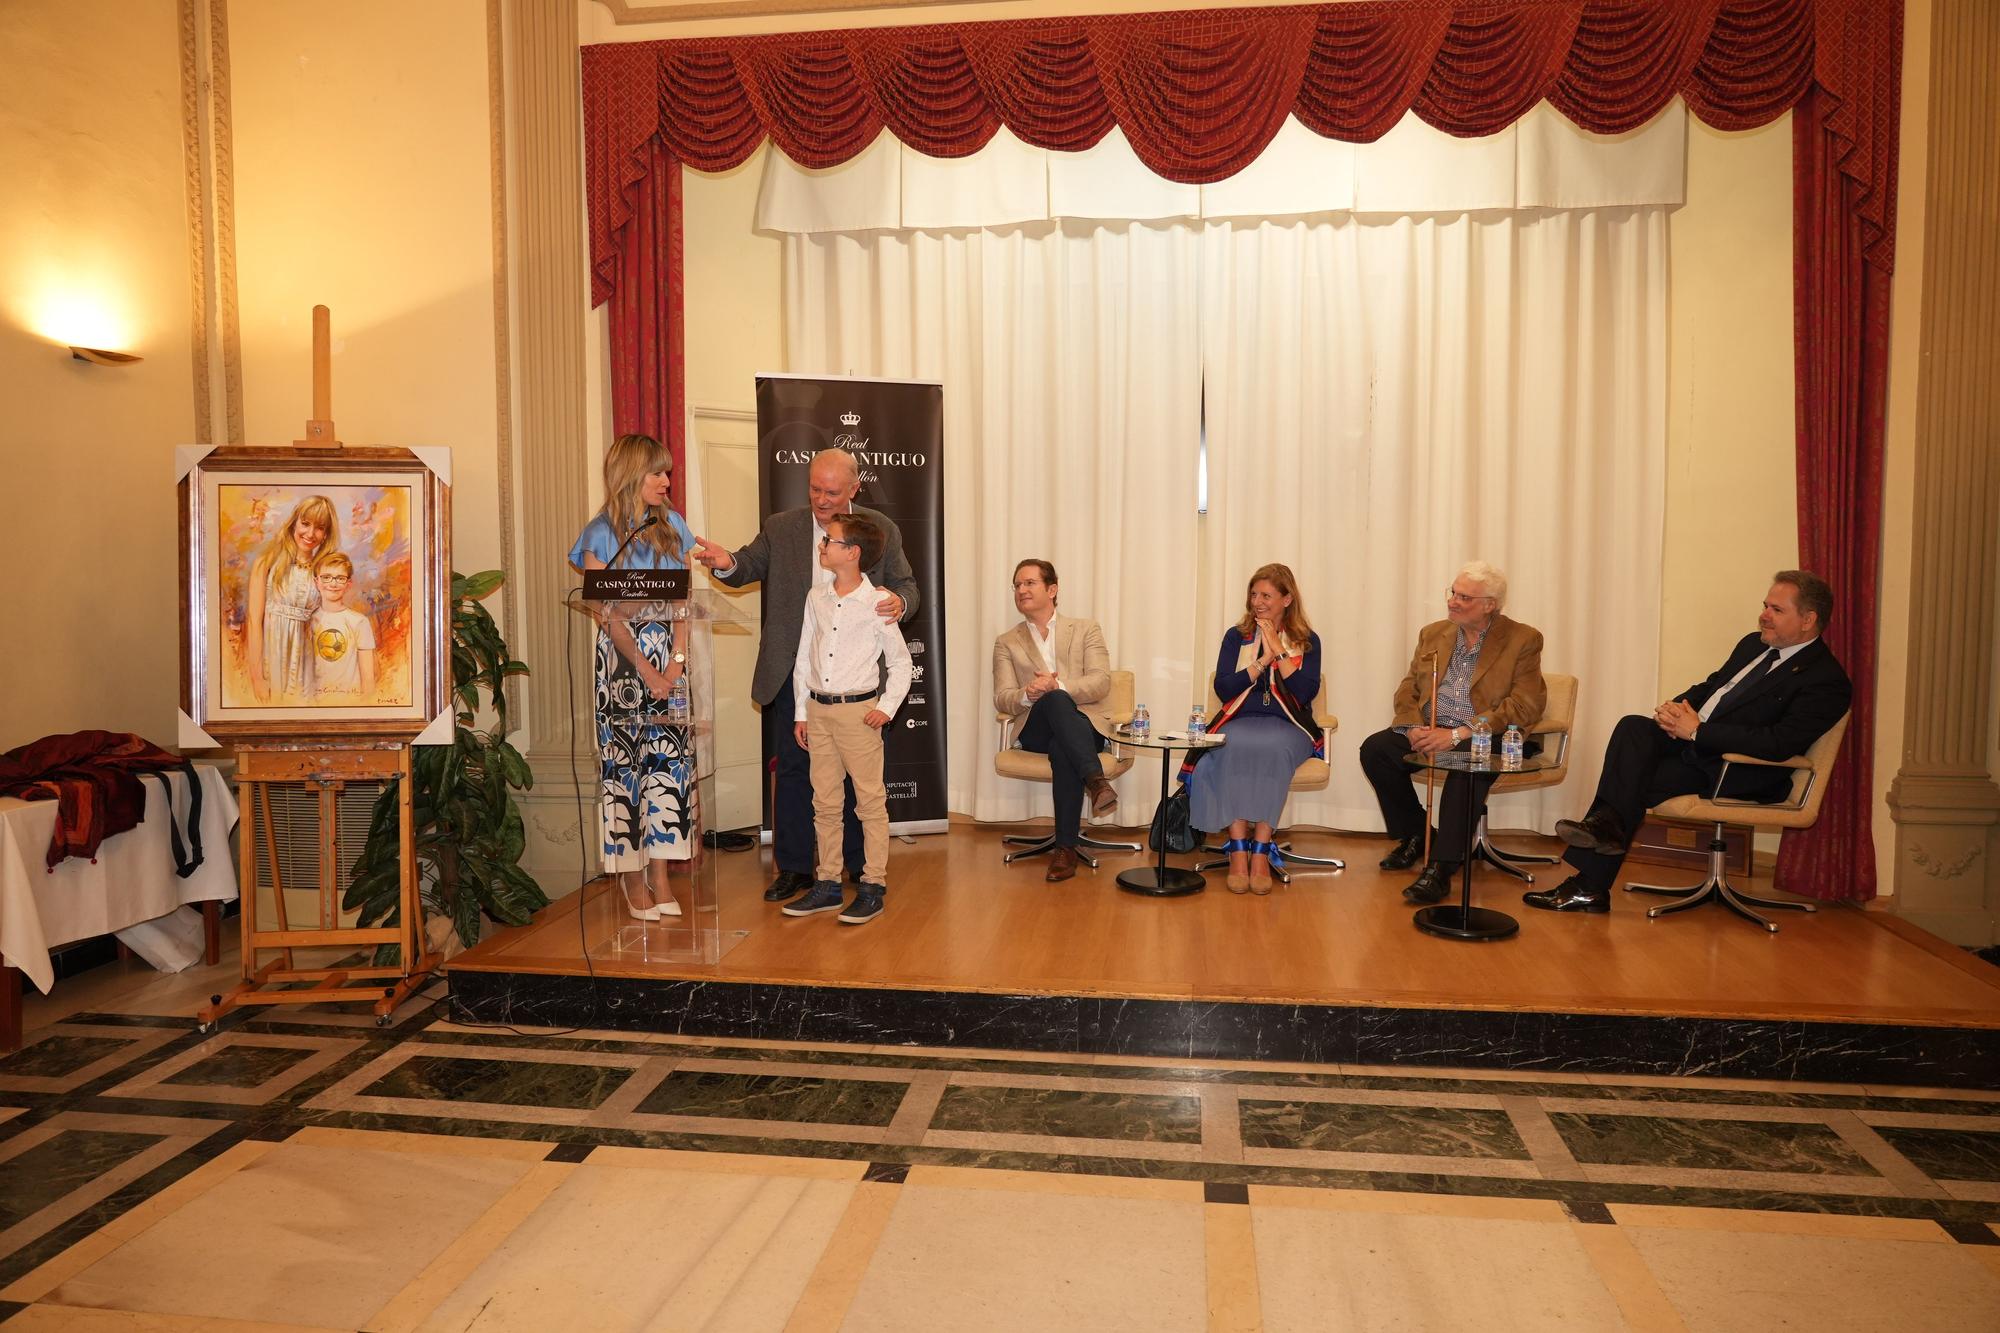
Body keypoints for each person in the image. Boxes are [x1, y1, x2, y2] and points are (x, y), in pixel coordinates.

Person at [1526, 571, 1852, 914]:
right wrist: (1674, 711)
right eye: (1765, 605)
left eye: (1776, 609)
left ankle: (1591, 879)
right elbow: (1711, 688)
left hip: (1737, 767)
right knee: (1634, 728)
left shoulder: (1826, 680)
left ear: (1808, 620)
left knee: (1634, 781)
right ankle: (1598, 848)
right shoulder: (1753, 644)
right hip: (1695, 746)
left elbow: (1778, 743)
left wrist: (1697, 731)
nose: (1764, 615)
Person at [689, 447, 920, 905]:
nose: (820, 499)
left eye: (831, 491)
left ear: (854, 489)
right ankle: (795, 870)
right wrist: (725, 562)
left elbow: (908, 586)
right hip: (794, 677)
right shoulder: (781, 526)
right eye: (814, 488)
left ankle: (856, 867)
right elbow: (746, 566)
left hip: (855, 686)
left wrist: (899, 602)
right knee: (794, 775)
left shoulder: (878, 531)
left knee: (856, 780)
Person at [1358, 562, 1546, 905]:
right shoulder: (1433, 633)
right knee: (1377, 750)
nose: (1453, 602)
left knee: (1466, 765)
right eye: (1453, 593)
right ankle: (1418, 835)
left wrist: (1459, 733)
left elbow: (1525, 705)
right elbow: (1408, 688)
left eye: (1465, 597)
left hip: (1486, 733)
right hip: (1432, 726)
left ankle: (1441, 868)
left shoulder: (1523, 639)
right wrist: (1413, 726)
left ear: (1490, 604)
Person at [569, 433, 699, 923]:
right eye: (657, 472)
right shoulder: (600, 533)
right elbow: (604, 608)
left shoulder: (675, 526)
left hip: (671, 659)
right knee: (626, 769)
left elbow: (685, 600)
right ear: (631, 476)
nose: (667, 480)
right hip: (621, 665)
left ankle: (662, 875)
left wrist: (676, 663)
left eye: (667, 472)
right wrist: (645, 670)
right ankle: (629, 875)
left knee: (668, 767)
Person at [782, 513, 913, 926]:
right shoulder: (815, 597)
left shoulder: (878, 601)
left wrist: (885, 709)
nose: (822, 546)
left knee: (870, 803)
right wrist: (802, 712)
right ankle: (827, 884)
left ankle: (873, 885)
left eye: (830, 542)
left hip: (859, 714)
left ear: (853, 553)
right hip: (819, 712)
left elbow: (901, 663)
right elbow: (805, 655)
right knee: (824, 802)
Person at [1188, 564, 1324, 895]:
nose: (1257, 602)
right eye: (1253, 594)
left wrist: (1278, 649)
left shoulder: (1306, 641)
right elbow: (1224, 689)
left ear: (1287, 599)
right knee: (1229, 746)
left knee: (1273, 750)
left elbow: (1305, 693)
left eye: (1266, 595)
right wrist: (1260, 660)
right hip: (1239, 721)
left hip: (1288, 725)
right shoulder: (1237, 637)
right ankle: (1237, 849)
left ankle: (1261, 850)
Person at [992, 559, 1120, 882]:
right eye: (1017, 585)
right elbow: (1002, 696)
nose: (1021, 590)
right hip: (1035, 725)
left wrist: (1058, 686)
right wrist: (1028, 693)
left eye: (1029, 583)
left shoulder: (1086, 629)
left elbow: (1101, 682)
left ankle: (1065, 848)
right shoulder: (1006, 641)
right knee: (1052, 699)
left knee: (1063, 743)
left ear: (1052, 589)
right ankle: (1096, 782)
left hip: (1083, 725)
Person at [245, 495, 338, 703]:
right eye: (305, 524)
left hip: (308, 666)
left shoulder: (323, 572)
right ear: (294, 522)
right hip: (272, 659)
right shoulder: (266, 563)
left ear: (326, 535)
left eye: (320, 527)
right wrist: (257, 677)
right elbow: (253, 621)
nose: (310, 534)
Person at [306, 552, 377, 703]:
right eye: (326, 577)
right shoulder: (308, 621)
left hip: (350, 702)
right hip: (314, 703)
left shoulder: (359, 622)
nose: (333, 584)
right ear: (316, 581)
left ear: (348, 584)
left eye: (340, 578)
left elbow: (368, 679)